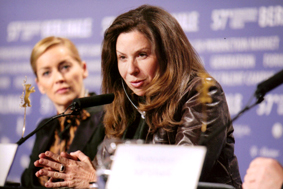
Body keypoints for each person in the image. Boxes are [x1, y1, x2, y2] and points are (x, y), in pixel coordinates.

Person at [33, 5, 242, 189]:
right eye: (122, 58)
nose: (130, 70)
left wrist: (94, 180)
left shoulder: (201, 93)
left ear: (167, 53)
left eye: (142, 55)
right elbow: (101, 171)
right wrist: (78, 175)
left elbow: (180, 178)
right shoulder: (127, 100)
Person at [21, 36, 105, 188]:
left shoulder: (109, 117)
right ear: (39, 85)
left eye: (65, 67)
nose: (59, 78)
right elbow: (28, 181)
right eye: (46, 73)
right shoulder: (45, 127)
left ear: (83, 69)